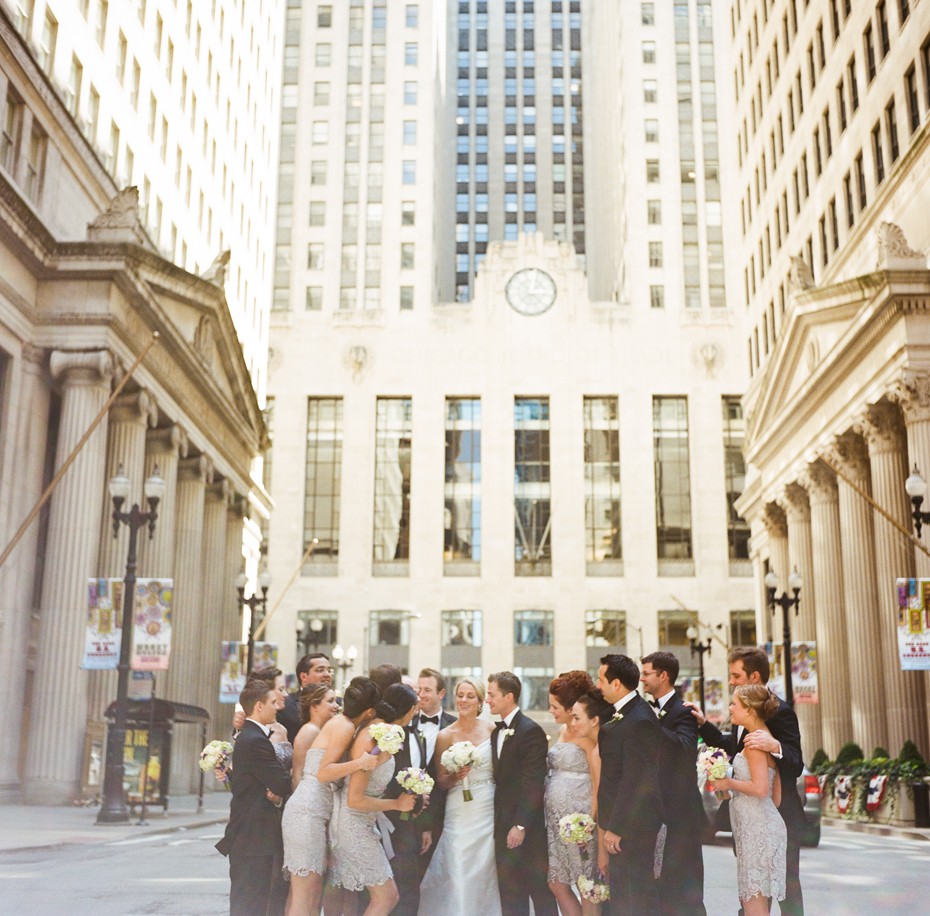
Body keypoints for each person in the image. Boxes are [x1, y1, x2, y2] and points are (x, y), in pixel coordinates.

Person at [688, 646, 805, 916]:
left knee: (786, 891)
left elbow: (796, 763)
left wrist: (775, 746)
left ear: (754, 677)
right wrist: (704, 724)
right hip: (748, 819)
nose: (730, 681)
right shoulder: (743, 713)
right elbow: (732, 748)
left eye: (735, 675)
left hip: (778, 816)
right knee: (753, 891)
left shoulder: (780, 713)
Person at [282, 677, 385, 916]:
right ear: (370, 711)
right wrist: (360, 762)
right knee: (304, 895)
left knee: (313, 893)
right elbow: (323, 773)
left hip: (319, 813)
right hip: (307, 811)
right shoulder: (344, 726)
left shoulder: (344, 725)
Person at [330, 683, 419, 916]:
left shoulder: (382, 731)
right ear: (410, 710)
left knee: (382, 897)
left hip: (365, 823)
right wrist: (397, 804)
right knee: (387, 897)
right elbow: (354, 800)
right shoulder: (373, 735)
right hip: (353, 823)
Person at [418, 676, 500, 916]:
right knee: (459, 862)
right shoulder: (445, 735)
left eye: (470, 696)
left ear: (480, 701)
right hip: (458, 808)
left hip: (486, 804)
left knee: (486, 865)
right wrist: (455, 776)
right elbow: (439, 782)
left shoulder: (492, 730)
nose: (464, 700)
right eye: (460, 695)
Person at [216, 680, 293, 916]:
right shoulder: (256, 739)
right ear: (259, 706)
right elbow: (282, 782)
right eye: (272, 702)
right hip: (252, 835)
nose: (277, 707)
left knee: (250, 901)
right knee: (250, 903)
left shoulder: (250, 736)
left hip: (251, 834)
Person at [707, 686, 786, 916]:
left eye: (734, 704)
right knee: (756, 904)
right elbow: (776, 797)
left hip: (758, 832)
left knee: (755, 908)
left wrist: (729, 784)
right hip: (760, 827)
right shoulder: (766, 739)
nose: (730, 708)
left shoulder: (754, 743)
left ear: (749, 710)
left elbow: (761, 789)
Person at [596, 654, 663, 916]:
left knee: (635, 897)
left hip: (634, 826)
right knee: (624, 895)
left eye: (601, 679)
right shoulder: (623, 712)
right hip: (623, 823)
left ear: (616, 684)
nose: (597, 685)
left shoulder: (640, 719)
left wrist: (616, 827)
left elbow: (635, 780)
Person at [640, 652, 706, 916]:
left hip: (681, 813)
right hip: (655, 812)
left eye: (646, 673)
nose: (642, 678)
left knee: (685, 886)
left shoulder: (683, 711)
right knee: (660, 886)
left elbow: (686, 748)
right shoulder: (647, 710)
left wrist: (653, 725)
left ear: (663, 676)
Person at [487, 671, 557, 916]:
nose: (487, 700)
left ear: (509, 697)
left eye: (491, 695)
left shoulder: (531, 731)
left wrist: (520, 824)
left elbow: (533, 782)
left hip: (526, 829)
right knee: (509, 894)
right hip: (501, 824)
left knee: (539, 893)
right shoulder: (496, 732)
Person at [545, 670, 599, 916]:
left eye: (555, 706)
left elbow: (598, 782)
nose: (551, 711)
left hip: (581, 822)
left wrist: (592, 823)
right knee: (556, 882)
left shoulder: (587, 735)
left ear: (571, 707)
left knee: (585, 882)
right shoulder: (560, 732)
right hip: (556, 823)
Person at [412, 668, 457, 868]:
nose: (421, 695)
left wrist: (429, 824)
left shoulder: (455, 726)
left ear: (441, 694)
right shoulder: (406, 723)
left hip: (443, 814)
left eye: (427, 690)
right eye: (418, 689)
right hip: (409, 813)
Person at [279, 654, 334, 743]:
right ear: (304, 676)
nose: (327, 674)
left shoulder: (339, 703)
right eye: (320, 670)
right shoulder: (286, 705)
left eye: (329, 670)